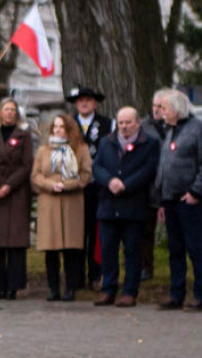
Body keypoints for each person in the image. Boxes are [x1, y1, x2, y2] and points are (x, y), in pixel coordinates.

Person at [93, 106, 160, 307]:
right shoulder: (106, 142)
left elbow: (149, 169)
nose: (124, 126)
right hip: (108, 204)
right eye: (121, 122)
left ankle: (130, 292)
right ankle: (108, 290)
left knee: (132, 250)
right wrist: (109, 181)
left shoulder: (150, 143)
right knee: (108, 250)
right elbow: (97, 167)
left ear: (137, 123)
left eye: (128, 122)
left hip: (133, 205)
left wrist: (126, 184)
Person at [31, 114, 93, 302]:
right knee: (51, 249)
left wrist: (67, 185)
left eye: (62, 127)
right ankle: (53, 288)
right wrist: (50, 185)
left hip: (71, 202)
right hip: (49, 201)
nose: (58, 130)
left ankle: (71, 288)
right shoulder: (43, 150)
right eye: (55, 127)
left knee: (71, 249)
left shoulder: (80, 149)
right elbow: (36, 175)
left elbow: (85, 174)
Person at [154, 88, 202, 311]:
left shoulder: (196, 130)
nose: (160, 112)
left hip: (190, 199)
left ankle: (200, 294)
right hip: (170, 199)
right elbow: (165, 166)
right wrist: (162, 200)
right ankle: (177, 293)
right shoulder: (170, 130)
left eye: (164, 108)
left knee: (196, 248)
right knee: (175, 249)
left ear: (176, 109)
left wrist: (196, 191)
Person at [0, 98, 33, 300]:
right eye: (6, 109)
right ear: (0, 112)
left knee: (16, 241)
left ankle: (14, 286)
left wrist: (9, 185)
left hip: (16, 192)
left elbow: (27, 164)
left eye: (12, 110)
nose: (9, 113)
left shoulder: (23, 136)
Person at [67, 85, 113, 290]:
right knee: (75, 231)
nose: (84, 103)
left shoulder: (107, 124)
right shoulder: (68, 124)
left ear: (95, 102)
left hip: (97, 186)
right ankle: (74, 278)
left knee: (96, 232)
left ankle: (96, 274)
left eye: (88, 100)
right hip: (73, 185)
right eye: (81, 100)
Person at [141, 91, 170, 281]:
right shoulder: (143, 126)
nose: (157, 109)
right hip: (149, 186)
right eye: (155, 105)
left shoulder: (176, 126)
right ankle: (146, 267)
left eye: (162, 106)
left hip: (171, 184)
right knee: (146, 230)